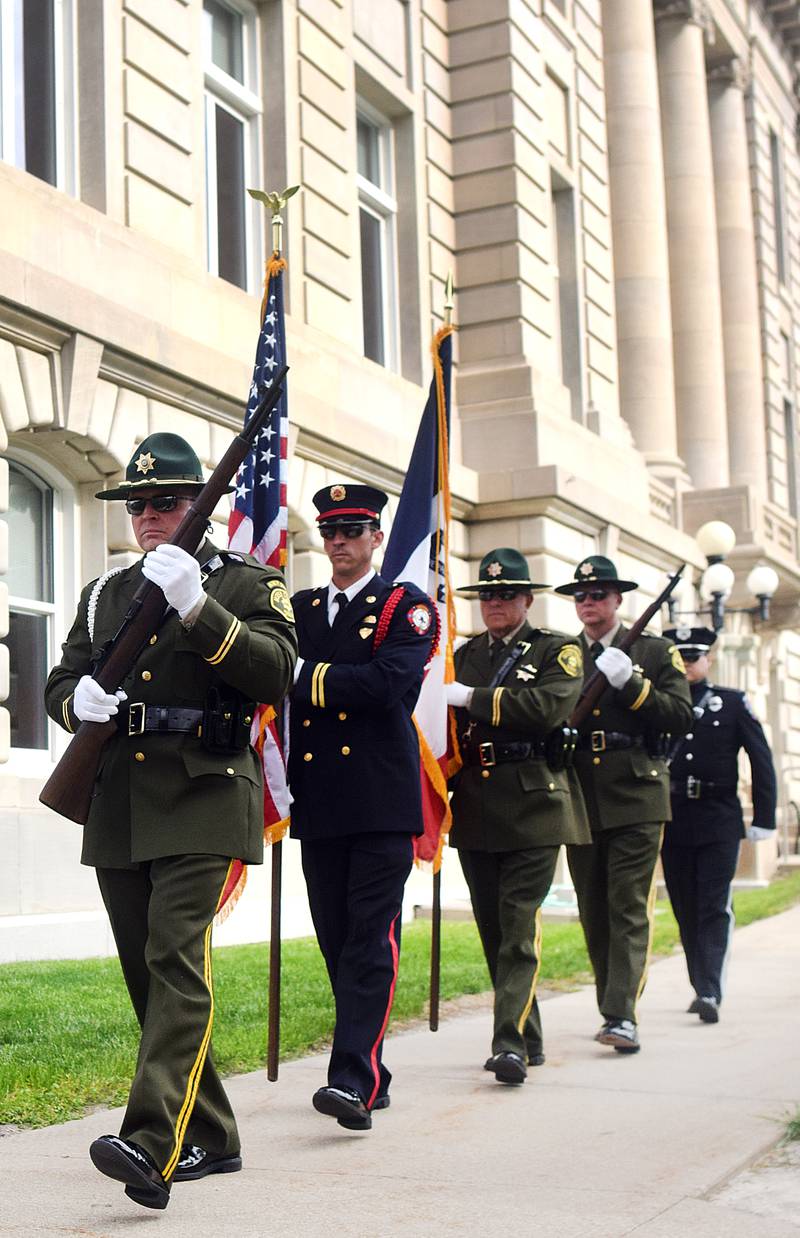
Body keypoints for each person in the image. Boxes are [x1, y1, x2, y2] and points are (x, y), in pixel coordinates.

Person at [44, 433, 297, 1210]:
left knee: (175, 962)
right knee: (147, 979)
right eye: (140, 505)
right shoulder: (102, 595)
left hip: (206, 791)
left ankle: (153, 1143)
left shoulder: (251, 582)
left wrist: (197, 605)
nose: (151, 518)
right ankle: (214, 1135)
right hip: (121, 799)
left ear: (201, 508)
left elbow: (274, 672)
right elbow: (63, 678)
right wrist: (72, 703)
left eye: (167, 503)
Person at [287, 483, 437, 1132]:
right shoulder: (300, 609)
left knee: (370, 941)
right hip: (319, 800)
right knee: (336, 942)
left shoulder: (407, 607)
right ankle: (372, 1070)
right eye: (331, 532)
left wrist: (301, 678)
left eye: (354, 530)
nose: (341, 542)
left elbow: (385, 686)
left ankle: (350, 1080)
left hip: (380, 800)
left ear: (377, 538)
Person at [445, 548, 591, 1085]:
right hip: (479, 805)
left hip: (535, 802)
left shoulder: (558, 650)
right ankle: (528, 1035)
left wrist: (471, 697)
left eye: (506, 595)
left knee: (519, 930)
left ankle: (507, 1042)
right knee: (492, 931)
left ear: (527, 600)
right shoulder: (462, 656)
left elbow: (549, 708)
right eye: (487, 596)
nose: (496, 604)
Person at [554, 555, 692, 1054]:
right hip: (580, 795)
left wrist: (631, 686)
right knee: (593, 906)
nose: (589, 603)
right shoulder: (564, 653)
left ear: (618, 600)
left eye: (599, 595)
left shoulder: (655, 651)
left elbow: (680, 715)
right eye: (582, 596)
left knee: (628, 906)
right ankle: (609, 1006)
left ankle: (622, 1015)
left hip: (637, 791)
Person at [662, 626, 777, 1024]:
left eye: (693, 658)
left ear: (708, 660)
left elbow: (760, 760)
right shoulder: (663, 704)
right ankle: (700, 983)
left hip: (718, 817)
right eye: (679, 659)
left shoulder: (731, 703)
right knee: (684, 907)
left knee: (712, 904)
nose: (687, 665)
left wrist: (764, 818)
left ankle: (710, 988)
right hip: (674, 819)